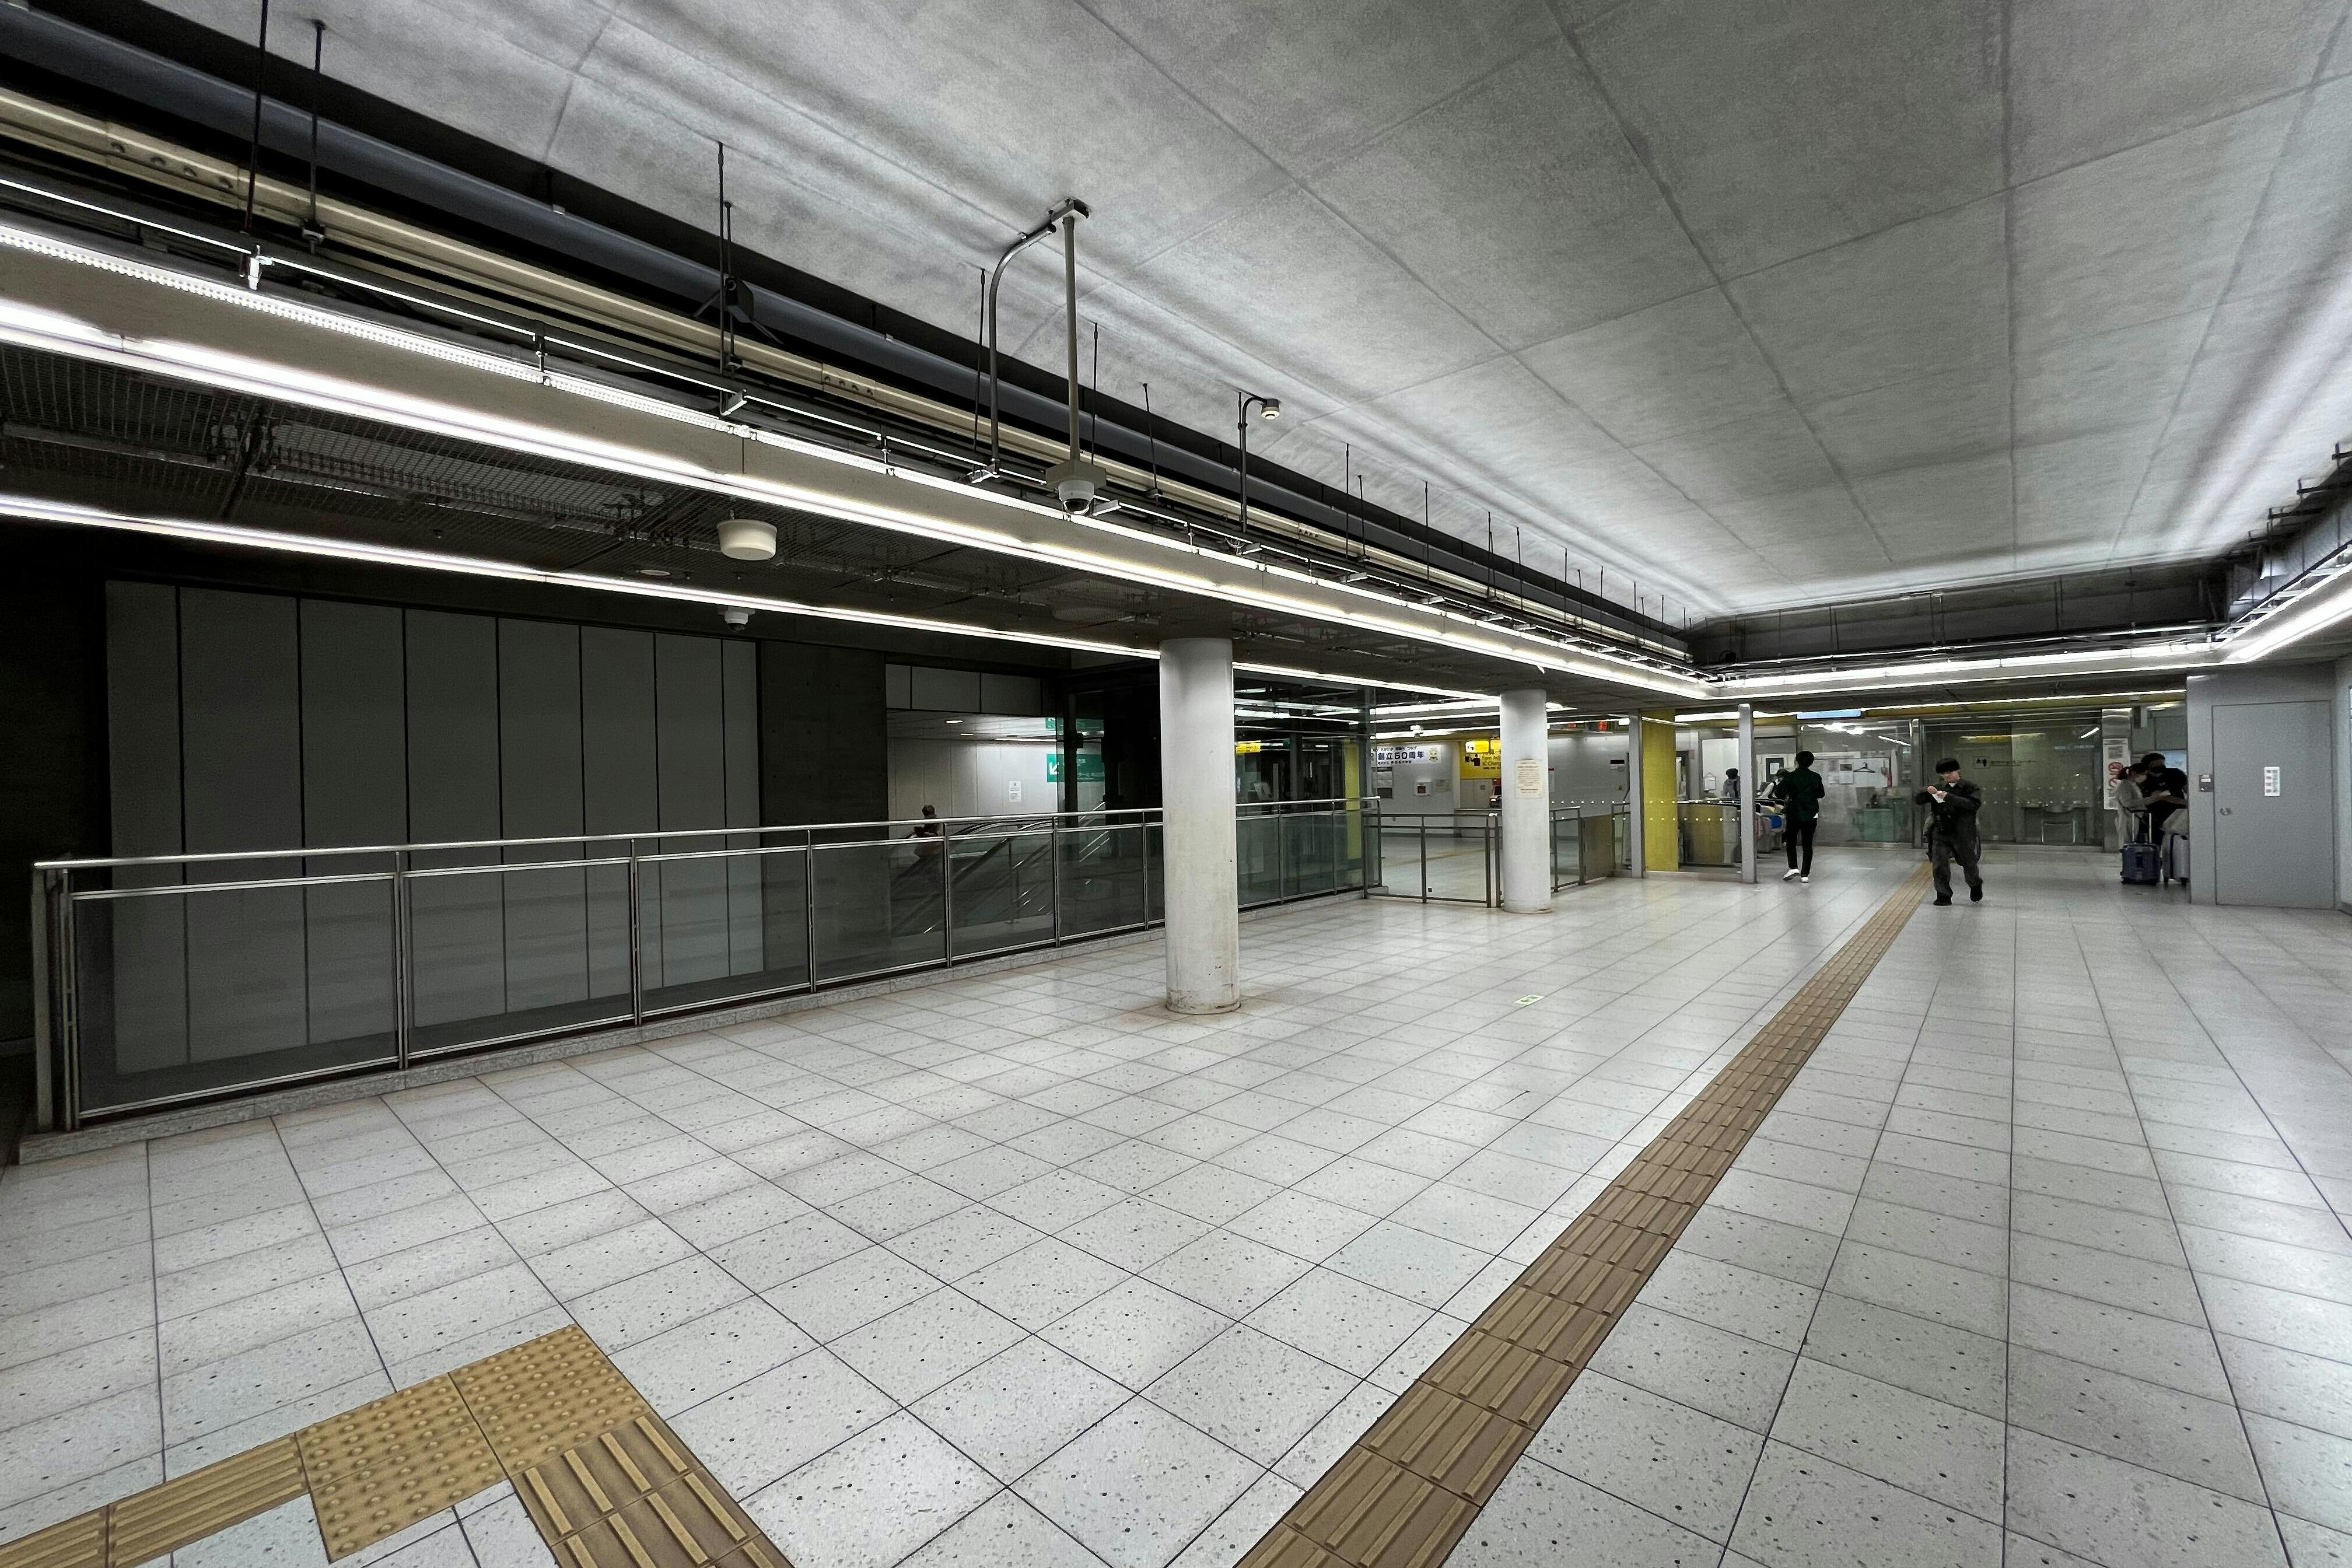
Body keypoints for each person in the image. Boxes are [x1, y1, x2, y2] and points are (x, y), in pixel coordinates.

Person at [1915, 758, 1983, 905]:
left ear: (1957, 771)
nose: (1947, 776)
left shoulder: (1971, 788)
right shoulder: (1938, 787)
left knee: (1968, 863)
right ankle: (1943, 895)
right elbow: (1919, 800)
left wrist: (1948, 797)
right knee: (1939, 865)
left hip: (1963, 833)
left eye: (1950, 772)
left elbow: (1973, 805)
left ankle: (1975, 884)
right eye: (1943, 774)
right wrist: (1926, 791)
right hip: (1941, 832)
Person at [1772, 751, 1824, 883]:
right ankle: (1805, 874)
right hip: (1811, 813)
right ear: (1811, 762)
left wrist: (1790, 793)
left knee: (1791, 841)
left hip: (1794, 812)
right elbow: (1821, 794)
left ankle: (1793, 867)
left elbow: (1778, 793)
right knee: (1808, 844)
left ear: (1797, 761)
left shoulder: (1791, 777)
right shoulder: (1816, 777)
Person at [2138, 752, 2186, 835]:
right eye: (2156, 764)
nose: (2160, 765)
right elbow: (2162, 796)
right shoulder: (2145, 782)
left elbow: (2188, 788)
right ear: (2148, 766)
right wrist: (2185, 802)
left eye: (2162, 763)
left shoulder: (2176, 774)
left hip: (2180, 814)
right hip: (2158, 817)